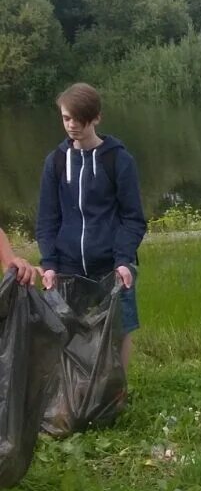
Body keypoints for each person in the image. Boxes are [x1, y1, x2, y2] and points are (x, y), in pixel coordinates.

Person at [36, 82, 148, 371]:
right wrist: (49, 264)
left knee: (118, 330)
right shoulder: (56, 162)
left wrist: (124, 260)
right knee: (67, 330)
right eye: (66, 118)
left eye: (79, 119)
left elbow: (133, 218)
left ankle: (116, 393)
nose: (72, 125)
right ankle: (78, 395)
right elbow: (47, 220)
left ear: (96, 117)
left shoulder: (119, 160)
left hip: (111, 265)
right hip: (67, 265)